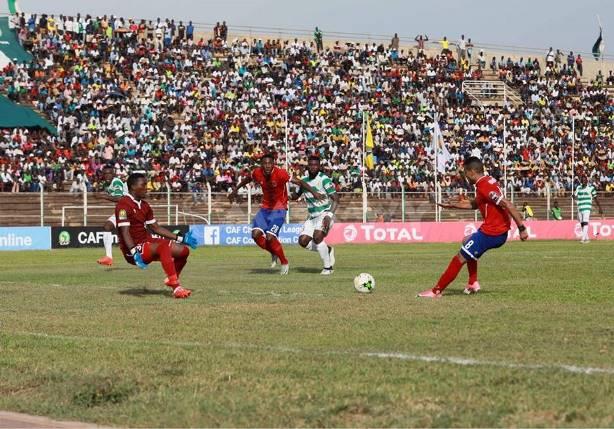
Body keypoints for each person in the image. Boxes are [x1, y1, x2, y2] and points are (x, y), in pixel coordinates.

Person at [418, 157, 529, 298]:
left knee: (459, 258)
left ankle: (436, 291)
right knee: (466, 241)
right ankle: (472, 283)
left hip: (493, 233)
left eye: (465, 172)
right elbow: (475, 204)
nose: (464, 176)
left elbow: (508, 204)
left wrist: (522, 229)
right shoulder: (486, 181)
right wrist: (452, 205)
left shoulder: (485, 187)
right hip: (492, 230)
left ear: (471, 172)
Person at [229, 153, 324, 275]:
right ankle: (273, 252)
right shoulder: (257, 172)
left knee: (270, 237)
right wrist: (235, 190)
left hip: (279, 209)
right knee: (255, 234)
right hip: (265, 209)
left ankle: (284, 262)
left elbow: (300, 182)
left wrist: (314, 192)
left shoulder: (281, 173)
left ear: (273, 163)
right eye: (265, 163)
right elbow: (247, 179)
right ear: (261, 165)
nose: (267, 166)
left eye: (270, 163)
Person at [115, 173, 198, 299]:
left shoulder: (145, 205)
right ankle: (176, 288)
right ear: (132, 186)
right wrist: (134, 252)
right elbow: (125, 232)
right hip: (133, 249)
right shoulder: (123, 205)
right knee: (163, 246)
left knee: (183, 251)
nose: (146, 188)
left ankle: (171, 278)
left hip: (146, 241)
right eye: (143, 185)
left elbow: (156, 228)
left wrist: (182, 239)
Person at [293, 155, 339, 275]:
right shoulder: (303, 180)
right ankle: (327, 249)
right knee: (303, 241)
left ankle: (327, 268)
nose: (313, 167)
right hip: (312, 217)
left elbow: (336, 199)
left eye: (316, 165)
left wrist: (329, 215)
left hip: (324, 214)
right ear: (308, 165)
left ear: (319, 167)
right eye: (311, 164)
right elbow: (296, 196)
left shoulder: (324, 179)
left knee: (318, 237)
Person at [97, 165, 128, 266]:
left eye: (109, 173)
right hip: (122, 210)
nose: (107, 175)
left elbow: (119, 198)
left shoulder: (116, 182)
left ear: (113, 174)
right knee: (107, 226)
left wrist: (104, 196)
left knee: (128, 234)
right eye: (105, 173)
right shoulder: (108, 184)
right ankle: (108, 257)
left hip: (128, 210)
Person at [574, 176, 604, 243]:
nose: (583, 181)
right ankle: (587, 238)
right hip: (580, 207)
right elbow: (574, 195)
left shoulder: (591, 188)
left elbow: (596, 198)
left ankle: (583, 239)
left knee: (585, 222)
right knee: (582, 223)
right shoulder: (578, 187)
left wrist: (600, 207)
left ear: (587, 181)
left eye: (584, 180)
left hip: (587, 207)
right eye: (582, 180)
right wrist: (575, 198)